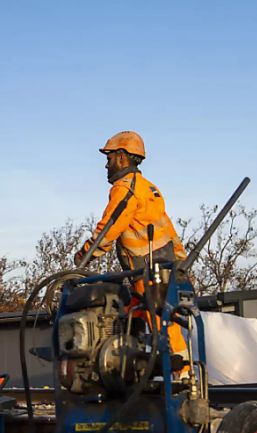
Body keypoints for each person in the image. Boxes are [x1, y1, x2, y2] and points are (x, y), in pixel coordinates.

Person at [73, 131, 189, 358]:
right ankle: (138, 364)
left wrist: (83, 255)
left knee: (161, 325)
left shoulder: (125, 189)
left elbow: (109, 228)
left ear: (122, 157)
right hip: (163, 268)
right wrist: (181, 258)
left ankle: (180, 372)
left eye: (109, 159)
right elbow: (168, 227)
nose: (106, 166)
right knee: (133, 315)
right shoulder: (149, 188)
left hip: (146, 271)